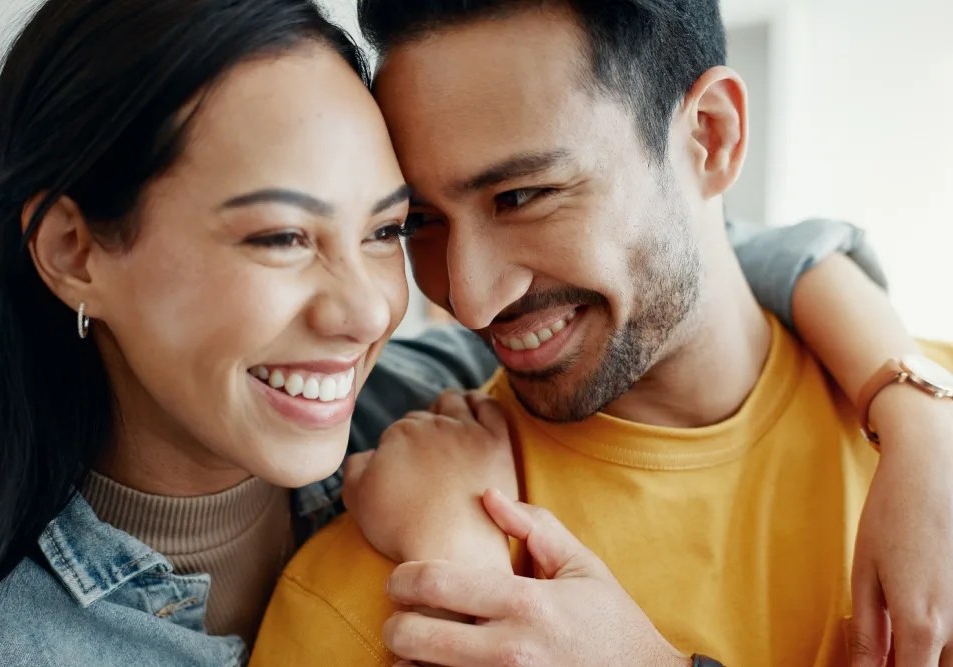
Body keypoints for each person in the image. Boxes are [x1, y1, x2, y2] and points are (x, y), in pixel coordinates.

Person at [0, 1, 933, 666]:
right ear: (76, 251)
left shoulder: (425, 394)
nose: (454, 298)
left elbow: (706, 260)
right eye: (283, 235)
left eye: (384, 229)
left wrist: (915, 409)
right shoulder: (14, 645)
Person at [251, 1, 953, 666]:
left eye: (521, 197)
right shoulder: (398, 582)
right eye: (422, 222)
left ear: (710, 137)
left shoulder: (931, 448)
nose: (468, 300)